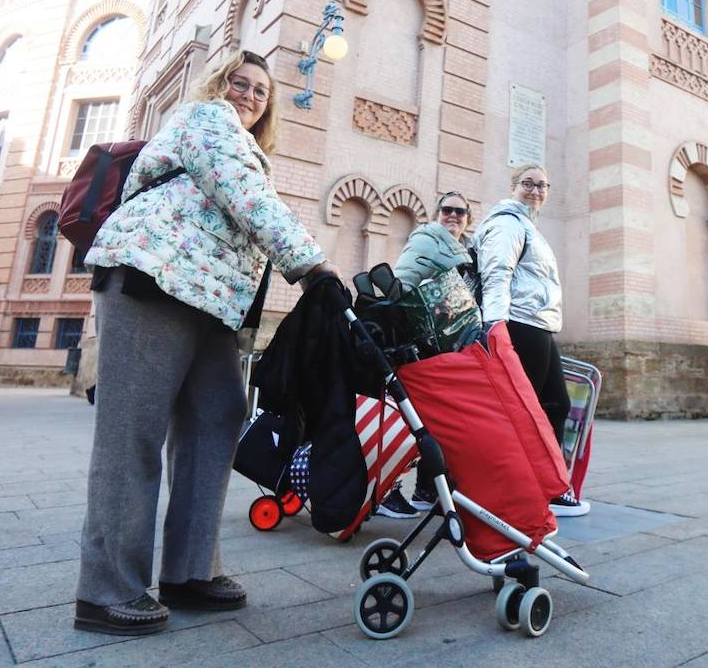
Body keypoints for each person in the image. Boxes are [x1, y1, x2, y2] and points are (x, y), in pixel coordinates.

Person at [74, 50, 339, 637]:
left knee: (217, 417)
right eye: (240, 83)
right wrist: (310, 264)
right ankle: (106, 589)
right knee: (133, 430)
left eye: (261, 91)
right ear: (221, 85)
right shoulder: (206, 119)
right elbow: (238, 190)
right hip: (151, 277)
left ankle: (190, 570)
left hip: (211, 302)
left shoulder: (249, 150)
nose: (249, 95)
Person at [476, 164, 586, 516]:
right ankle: (514, 492)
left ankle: (548, 486)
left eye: (542, 185)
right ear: (513, 186)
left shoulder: (527, 226)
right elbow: (496, 274)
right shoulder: (508, 223)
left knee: (556, 405)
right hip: (519, 325)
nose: (536, 191)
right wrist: (496, 326)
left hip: (539, 327)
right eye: (528, 183)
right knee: (525, 414)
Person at [379, 190, 480, 518]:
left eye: (460, 212)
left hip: (452, 349)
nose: (453, 216)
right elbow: (401, 285)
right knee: (416, 418)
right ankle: (391, 489)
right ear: (437, 214)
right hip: (421, 347)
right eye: (447, 209)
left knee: (439, 421)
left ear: (467, 219)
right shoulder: (427, 240)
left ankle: (428, 489)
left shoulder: (469, 252)